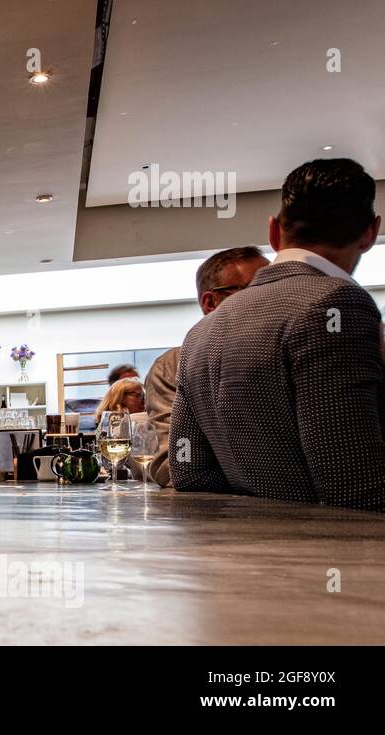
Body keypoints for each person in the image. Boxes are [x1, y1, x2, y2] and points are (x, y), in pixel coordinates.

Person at [170, 158, 385, 510]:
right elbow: (355, 485)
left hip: (259, 555)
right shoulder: (338, 303)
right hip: (342, 556)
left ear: (274, 232)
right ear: (369, 233)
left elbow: (189, 473)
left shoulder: (199, 334)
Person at [144, 246, 269, 486]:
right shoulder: (173, 366)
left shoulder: (298, 346)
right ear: (211, 302)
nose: (269, 299)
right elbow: (171, 465)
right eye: (253, 290)